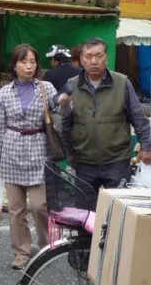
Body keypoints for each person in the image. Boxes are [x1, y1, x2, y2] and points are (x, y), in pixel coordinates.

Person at [0, 44, 69, 270]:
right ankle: (21, 252)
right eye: (24, 62)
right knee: (15, 208)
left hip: (38, 150)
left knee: (40, 206)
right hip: (11, 151)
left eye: (32, 61)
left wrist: (63, 103)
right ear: (14, 65)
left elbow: (60, 115)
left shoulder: (46, 87)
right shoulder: (5, 92)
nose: (29, 66)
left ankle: (45, 248)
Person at [61, 37, 151, 206]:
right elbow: (65, 124)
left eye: (99, 55)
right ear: (81, 60)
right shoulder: (72, 85)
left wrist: (146, 147)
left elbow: (139, 119)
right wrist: (71, 152)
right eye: (88, 57)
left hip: (117, 161)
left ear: (106, 57)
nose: (94, 61)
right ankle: (87, 234)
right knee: (84, 214)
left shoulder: (122, 82)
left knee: (117, 212)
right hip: (84, 162)